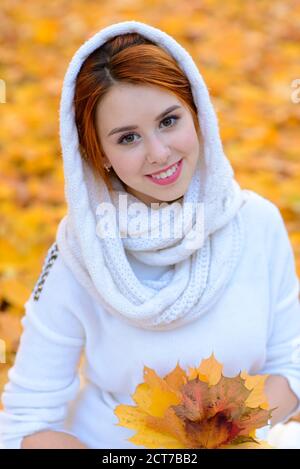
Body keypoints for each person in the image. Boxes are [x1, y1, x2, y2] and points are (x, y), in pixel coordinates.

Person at [0, 20, 300, 449]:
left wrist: (223, 438)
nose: (158, 153)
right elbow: (27, 422)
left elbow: (290, 364)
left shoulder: (256, 223)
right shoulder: (81, 251)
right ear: (98, 154)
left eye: (169, 120)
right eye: (127, 138)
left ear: (197, 112)